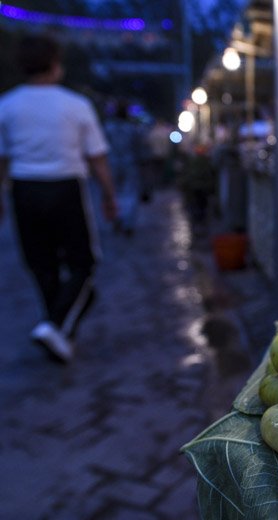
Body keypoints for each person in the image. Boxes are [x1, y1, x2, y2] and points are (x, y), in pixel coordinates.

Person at [0, 35, 117, 363]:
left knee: (42, 264)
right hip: (65, 189)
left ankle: (56, 329)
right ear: (55, 64)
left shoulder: (6, 105)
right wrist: (109, 196)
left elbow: (1, 159)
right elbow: (97, 158)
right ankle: (55, 325)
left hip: (23, 190)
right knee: (84, 263)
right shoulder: (75, 105)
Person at [104, 99, 142, 236]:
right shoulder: (132, 129)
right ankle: (127, 221)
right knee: (129, 193)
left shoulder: (108, 128)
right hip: (129, 163)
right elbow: (139, 147)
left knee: (115, 192)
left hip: (112, 163)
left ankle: (118, 218)